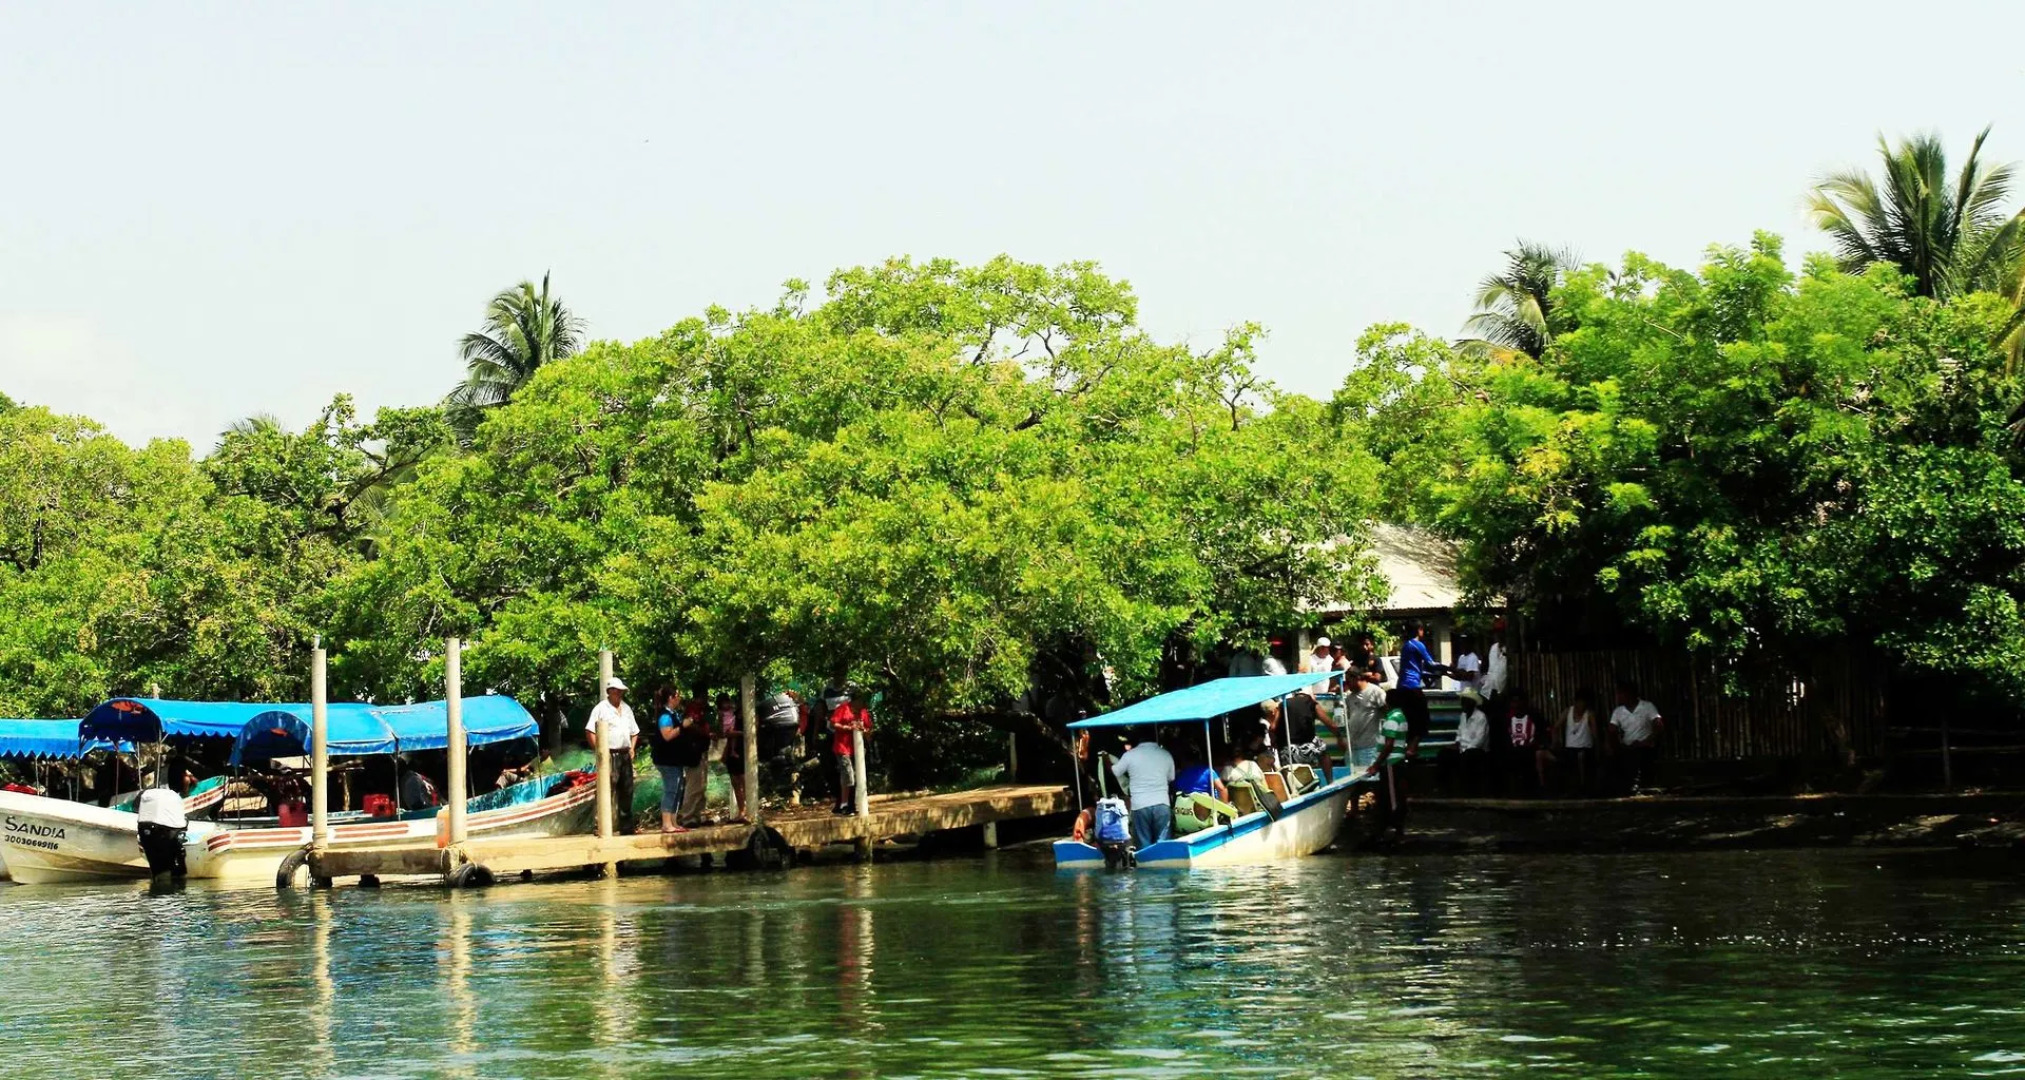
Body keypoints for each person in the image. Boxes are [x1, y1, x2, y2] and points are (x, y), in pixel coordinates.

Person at [585, 676, 641, 833]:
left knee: (627, 789)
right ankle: (601, 825)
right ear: (610, 691)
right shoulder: (600, 709)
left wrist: (632, 748)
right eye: (617, 691)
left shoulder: (627, 709)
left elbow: (635, 732)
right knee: (606, 789)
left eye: (621, 691)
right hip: (610, 754)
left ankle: (626, 826)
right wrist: (600, 751)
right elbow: (590, 730)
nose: (620, 694)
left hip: (624, 754)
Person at [1110, 728, 1175, 849]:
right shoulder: (1165, 754)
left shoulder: (1129, 755)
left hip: (1140, 805)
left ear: (1138, 740)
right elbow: (1171, 777)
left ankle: (1146, 866)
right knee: (1163, 846)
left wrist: (1107, 760)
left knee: (1144, 846)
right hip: (1162, 803)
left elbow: (1116, 771)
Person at [1361, 699, 1412, 843]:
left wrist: (1376, 764)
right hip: (1396, 760)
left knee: (1391, 797)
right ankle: (1390, 827)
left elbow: (1389, 745)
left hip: (1391, 762)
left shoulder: (1392, 719)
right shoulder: (1400, 717)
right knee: (1392, 795)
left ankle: (1394, 827)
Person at [1395, 622, 1444, 760]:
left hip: (1402, 688)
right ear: (1419, 630)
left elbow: (1418, 670)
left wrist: (1444, 674)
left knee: (1410, 720)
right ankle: (1411, 749)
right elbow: (1431, 664)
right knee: (1424, 719)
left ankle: (1409, 749)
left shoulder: (1406, 646)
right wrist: (1451, 669)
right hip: (1412, 687)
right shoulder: (1418, 645)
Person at [646, 686, 691, 834]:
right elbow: (667, 735)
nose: (680, 698)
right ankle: (666, 823)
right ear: (671, 698)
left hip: (675, 759)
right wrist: (683, 727)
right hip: (666, 760)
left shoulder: (674, 714)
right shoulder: (665, 716)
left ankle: (673, 821)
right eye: (677, 695)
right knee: (671, 789)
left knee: (678, 789)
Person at [1610, 680, 1664, 794]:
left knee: (1639, 757)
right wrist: (1617, 744)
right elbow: (1612, 730)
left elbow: (1658, 725)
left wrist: (1647, 741)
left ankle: (1641, 785)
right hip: (1627, 747)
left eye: (1620, 694)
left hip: (1645, 746)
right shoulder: (1618, 711)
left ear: (1629, 694)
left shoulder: (1647, 706)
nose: (1618, 697)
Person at [135, 778, 187, 878]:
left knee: (157, 865)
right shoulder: (173, 797)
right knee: (174, 856)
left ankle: (160, 878)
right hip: (162, 831)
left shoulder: (148, 794)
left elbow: (135, 807)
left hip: (145, 830)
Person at [831, 690, 873, 815]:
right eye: (861, 701)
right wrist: (848, 728)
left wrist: (865, 731)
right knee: (848, 776)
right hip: (842, 747)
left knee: (857, 776)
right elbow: (833, 723)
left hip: (858, 749)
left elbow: (869, 730)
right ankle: (844, 805)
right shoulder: (843, 709)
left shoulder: (863, 712)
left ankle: (850, 805)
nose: (863, 704)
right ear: (855, 701)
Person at [674, 690, 712, 825]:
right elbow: (690, 726)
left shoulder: (701, 709)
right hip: (694, 752)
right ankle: (687, 816)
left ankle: (697, 815)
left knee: (701, 785)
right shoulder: (692, 710)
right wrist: (704, 732)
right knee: (694, 786)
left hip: (701, 750)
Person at [1553, 687, 1599, 795]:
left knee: (1582, 757)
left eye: (1584, 702)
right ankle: (1573, 789)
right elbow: (1555, 727)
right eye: (1579, 702)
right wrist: (1556, 741)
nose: (1581, 705)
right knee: (1570, 761)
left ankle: (1583, 788)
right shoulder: (1568, 711)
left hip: (1586, 748)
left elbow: (1595, 733)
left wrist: (1598, 746)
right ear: (1576, 701)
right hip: (1570, 748)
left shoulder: (1589, 714)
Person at [1339, 667, 1387, 770]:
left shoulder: (1375, 692)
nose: (1347, 685)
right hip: (1352, 748)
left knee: (1369, 780)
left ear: (1357, 678)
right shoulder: (1349, 697)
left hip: (1369, 747)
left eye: (1348, 681)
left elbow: (1387, 712)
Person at [1454, 687, 1491, 795]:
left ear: (1472, 703)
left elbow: (1479, 740)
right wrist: (1457, 743)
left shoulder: (1481, 717)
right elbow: (1460, 732)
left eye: (1465, 702)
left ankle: (1468, 791)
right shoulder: (1463, 715)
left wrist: (1464, 750)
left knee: (1468, 756)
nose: (1462, 704)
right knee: (1444, 755)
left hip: (1477, 750)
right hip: (1463, 749)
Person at [1505, 689, 1542, 794]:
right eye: (1513, 701)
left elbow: (1539, 733)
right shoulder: (1508, 718)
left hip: (1529, 750)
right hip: (1513, 750)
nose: (1515, 705)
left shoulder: (1533, 716)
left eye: (1518, 701)